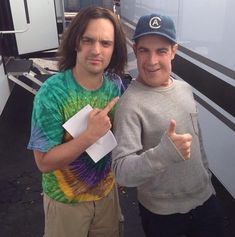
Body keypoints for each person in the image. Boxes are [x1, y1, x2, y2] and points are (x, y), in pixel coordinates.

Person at [112, 13, 224, 237]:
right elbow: (121, 172)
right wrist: (162, 154)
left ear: (174, 51)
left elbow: (197, 139)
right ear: (135, 50)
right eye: (144, 50)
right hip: (162, 216)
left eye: (161, 50)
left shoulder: (184, 89)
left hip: (205, 204)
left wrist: (208, 182)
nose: (152, 61)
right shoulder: (129, 105)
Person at [27, 6, 127, 237]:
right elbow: (44, 162)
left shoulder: (114, 85)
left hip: (106, 197)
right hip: (66, 203)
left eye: (105, 43)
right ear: (75, 43)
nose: (96, 50)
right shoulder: (52, 94)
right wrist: (89, 136)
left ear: (114, 49)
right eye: (87, 40)